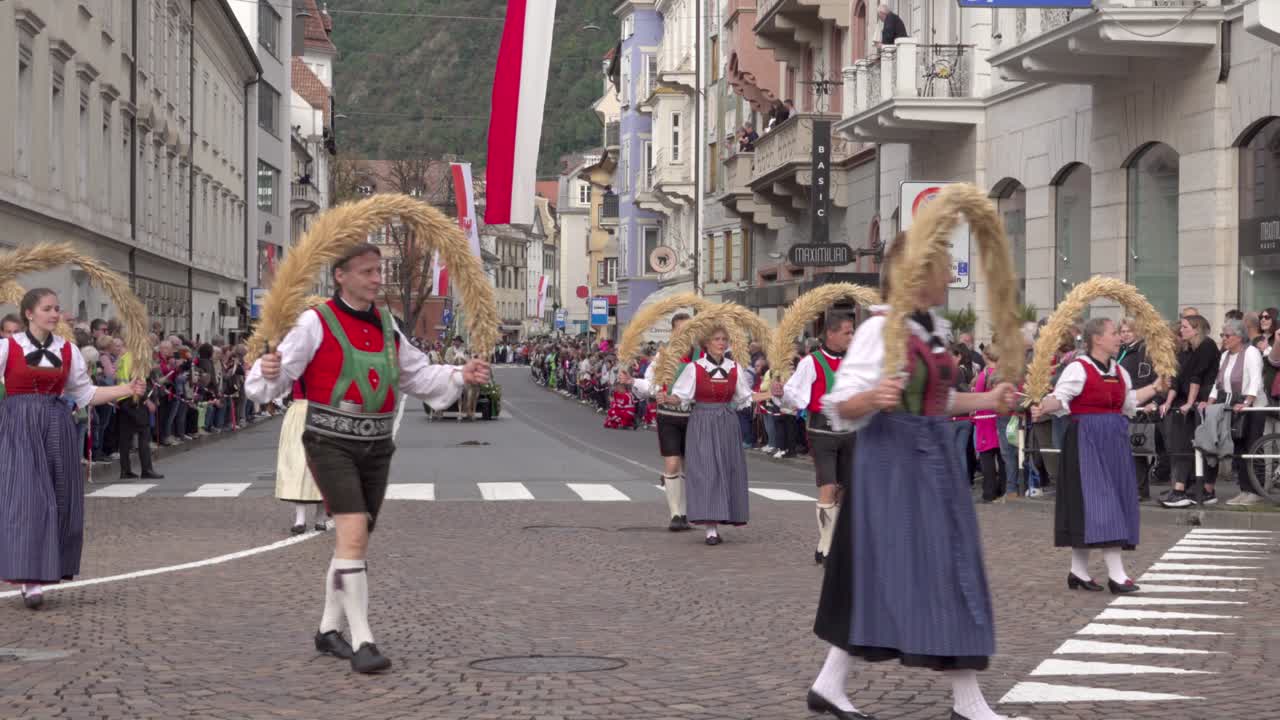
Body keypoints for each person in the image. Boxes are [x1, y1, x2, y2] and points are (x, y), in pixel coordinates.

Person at [245, 243, 490, 674]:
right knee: (353, 532)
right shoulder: (314, 322)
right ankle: (363, 642)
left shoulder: (386, 323)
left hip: (376, 445)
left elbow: (415, 373)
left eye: (379, 271)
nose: (378, 279)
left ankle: (327, 631)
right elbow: (280, 374)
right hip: (330, 442)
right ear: (340, 276)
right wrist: (268, 374)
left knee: (353, 541)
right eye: (367, 272)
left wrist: (458, 374)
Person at [807, 238, 1023, 720]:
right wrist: (874, 398)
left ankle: (831, 683)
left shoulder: (929, 330)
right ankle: (967, 704)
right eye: (944, 268)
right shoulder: (881, 330)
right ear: (916, 274)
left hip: (930, 460)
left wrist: (988, 402)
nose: (950, 277)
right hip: (892, 466)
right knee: (923, 569)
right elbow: (840, 404)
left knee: (920, 569)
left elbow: (936, 401)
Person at [0, 289, 145, 609]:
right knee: (28, 500)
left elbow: (85, 394)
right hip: (19, 427)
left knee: (60, 498)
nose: (54, 314)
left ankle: (48, 568)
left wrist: (125, 388)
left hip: (56, 424)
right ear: (29, 313)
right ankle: (29, 577)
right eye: (47, 309)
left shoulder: (68, 351)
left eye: (56, 308)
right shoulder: (7, 347)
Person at [1033, 318, 1165, 595]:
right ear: (1097, 339)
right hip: (1086, 439)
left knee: (1103, 499)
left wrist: (1156, 386)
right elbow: (1061, 397)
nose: (1119, 337)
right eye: (1114, 332)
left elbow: (1128, 402)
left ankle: (1078, 572)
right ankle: (1117, 576)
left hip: (1114, 439)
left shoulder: (1119, 370)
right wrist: (1043, 406)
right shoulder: (1078, 369)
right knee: (1102, 501)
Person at [780, 313, 856, 565]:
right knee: (828, 486)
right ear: (831, 333)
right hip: (821, 432)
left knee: (845, 489)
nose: (851, 336)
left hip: (850, 432)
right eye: (847, 332)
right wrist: (783, 395)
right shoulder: (812, 362)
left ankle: (837, 539)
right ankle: (826, 545)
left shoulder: (855, 362)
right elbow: (793, 394)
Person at [670, 326, 753, 546]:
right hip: (702, 421)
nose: (721, 343)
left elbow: (746, 397)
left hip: (727, 421)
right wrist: (667, 399)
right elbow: (680, 396)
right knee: (707, 471)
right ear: (706, 343)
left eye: (724, 339)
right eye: (717, 339)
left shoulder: (735, 368)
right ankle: (711, 529)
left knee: (726, 469)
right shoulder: (694, 368)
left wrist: (774, 393)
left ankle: (722, 517)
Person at [622, 313, 697, 532]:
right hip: (669, 416)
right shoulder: (663, 356)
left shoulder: (700, 356)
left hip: (694, 417)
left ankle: (684, 513)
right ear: (673, 332)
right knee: (672, 463)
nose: (684, 334)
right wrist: (633, 381)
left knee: (688, 465)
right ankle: (675, 514)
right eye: (680, 329)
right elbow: (651, 382)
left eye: (688, 329)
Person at [1159, 315, 1219, 508]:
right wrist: (1169, 402)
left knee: (1200, 445)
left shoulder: (1207, 346)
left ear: (1196, 329)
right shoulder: (1186, 350)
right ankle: (1182, 488)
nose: (1181, 330)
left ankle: (1194, 489)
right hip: (1188, 401)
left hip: (1202, 401)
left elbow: (1197, 377)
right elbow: (1178, 378)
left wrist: (1190, 403)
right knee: (1182, 445)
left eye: (1185, 327)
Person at [1208, 319, 1267, 506]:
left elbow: (1255, 379)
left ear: (1239, 337)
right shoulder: (1225, 355)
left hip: (1252, 408)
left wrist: (1248, 401)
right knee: (1240, 448)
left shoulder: (1251, 353)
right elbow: (1218, 382)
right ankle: (1244, 489)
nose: (1224, 339)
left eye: (1227, 335)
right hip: (1232, 406)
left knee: (1252, 446)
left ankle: (1256, 490)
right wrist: (1210, 400)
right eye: (1222, 335)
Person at [1117, 318, 1159, 500]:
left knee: (1137, 450)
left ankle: (1140, 490)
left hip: (1137, 405)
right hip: (1124, 405)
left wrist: (1152, 401)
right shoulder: (1122, 351)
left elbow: (1148, 378)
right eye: (1122, 331)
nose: (1125, 334)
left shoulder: (1143, 351)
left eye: (1129, 331)